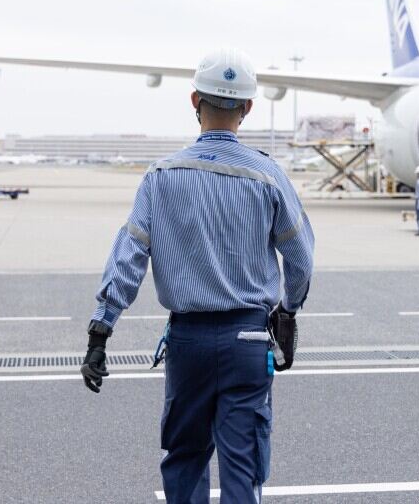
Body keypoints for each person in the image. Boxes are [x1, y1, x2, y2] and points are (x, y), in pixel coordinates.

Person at [80, 47, 315, 504]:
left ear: (194, 101)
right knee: (243, 467)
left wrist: (100, 331)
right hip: (249, 340)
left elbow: (129, 257)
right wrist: (287, 311)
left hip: (187, 342)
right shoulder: (268, 176)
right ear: (248, 107)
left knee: (185, 460)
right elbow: (301, 258)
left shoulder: (161, 176)